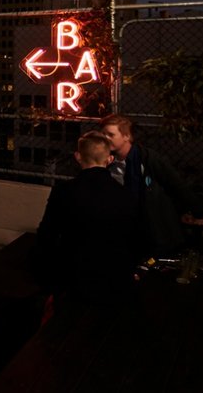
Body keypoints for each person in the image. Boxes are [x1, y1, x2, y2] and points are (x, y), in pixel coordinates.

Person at [33, 130, 141, 309]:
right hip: (114, 277)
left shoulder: (64, 191)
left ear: (78, 156)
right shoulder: (125, 194)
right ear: (110, 159)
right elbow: (134, 237)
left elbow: (47, 235)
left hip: (74, 275)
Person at [99, 114, 203, 258]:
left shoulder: (148, 158)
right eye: (104, 134)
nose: (106, 138)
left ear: (126, 136)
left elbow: (175, 183)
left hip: (152, 228)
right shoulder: (108, 161)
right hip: (127, 227)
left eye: (111, 134)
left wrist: (198, 211)